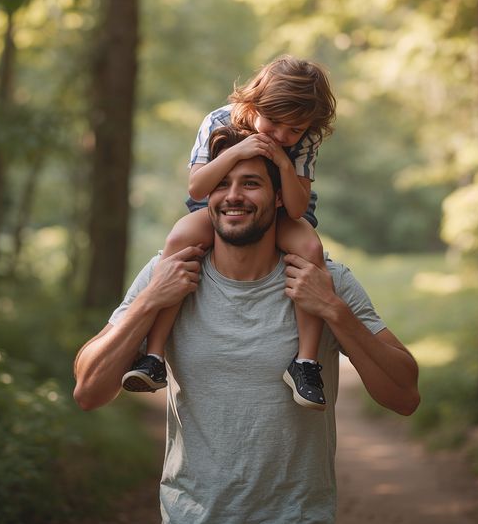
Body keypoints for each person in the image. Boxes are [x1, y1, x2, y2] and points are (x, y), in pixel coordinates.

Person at [73, 125, 421, 523]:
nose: (233, 196)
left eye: (250, 183)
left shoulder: (324, 279)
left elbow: (404, 396)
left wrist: (334, 311)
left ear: (279, 199)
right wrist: (150, 301)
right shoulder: (169, 272)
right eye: (221, 184)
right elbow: (89, 391)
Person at [122, 55, 337, 410]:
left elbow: (297, 208)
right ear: (253, 104)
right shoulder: (219, 120)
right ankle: (154, 356)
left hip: (282, 208)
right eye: (274, 123)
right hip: (220, 206)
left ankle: (306, 363)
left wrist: (284, 162)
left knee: (310, 249)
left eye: (294, 130)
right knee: (178, 240)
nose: (283, 136)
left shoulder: (306, 137)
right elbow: (198, 188)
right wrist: (239, 151)